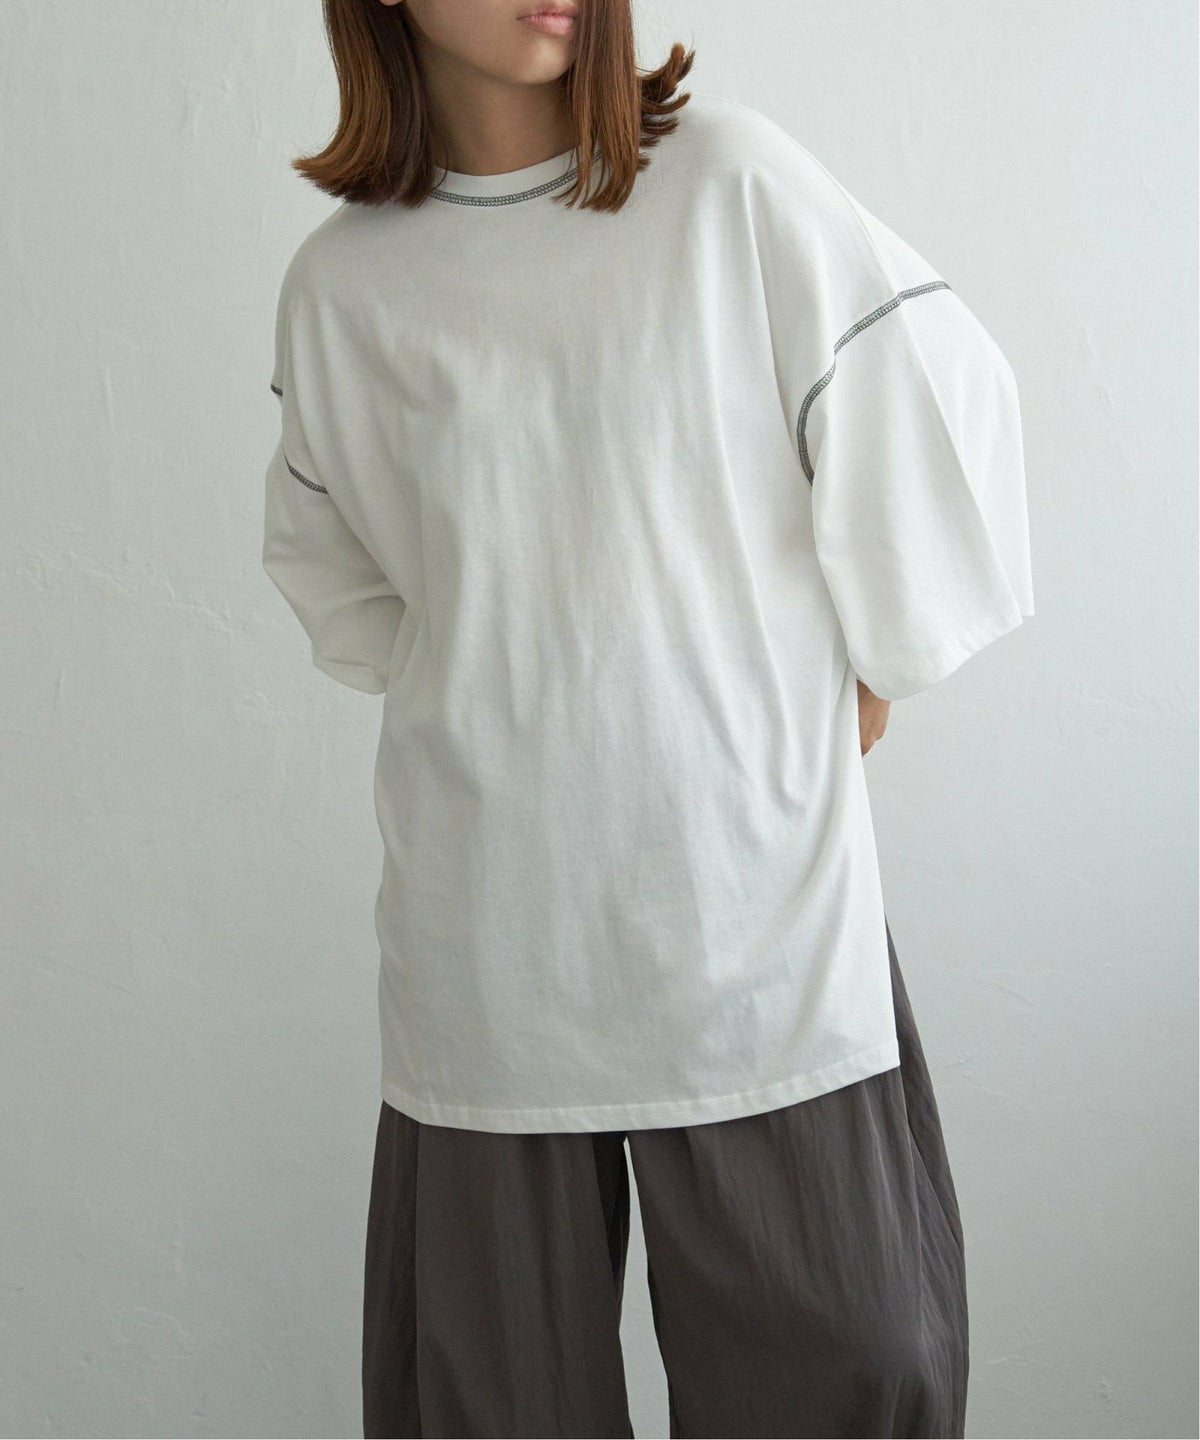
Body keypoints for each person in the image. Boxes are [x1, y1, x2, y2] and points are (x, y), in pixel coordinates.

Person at [260, 2, 1035, 1435]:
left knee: (853, 1370)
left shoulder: (733, 187)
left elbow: (936, 410)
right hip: (485, 958)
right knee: (485, 1406)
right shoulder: (341, 287)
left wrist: (854, 684)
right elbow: (353, 592)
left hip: (757, 934)